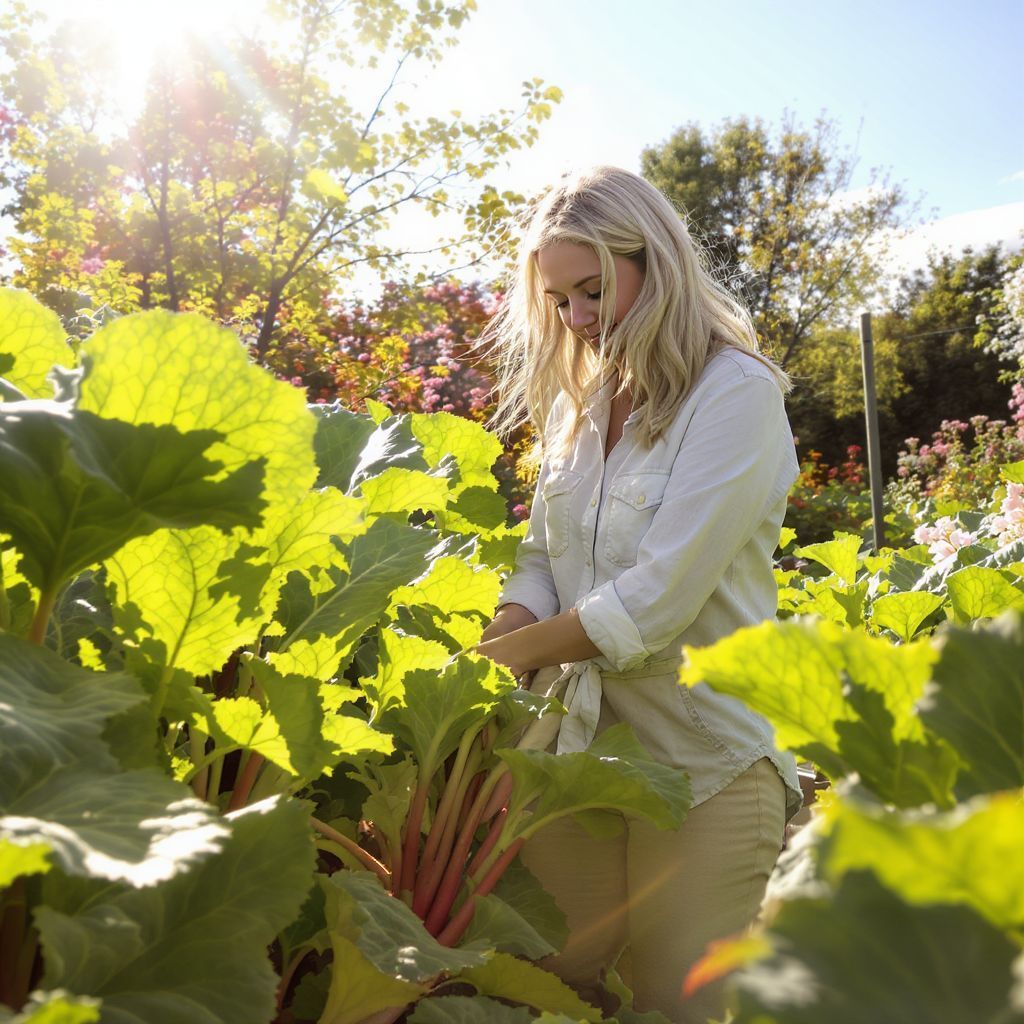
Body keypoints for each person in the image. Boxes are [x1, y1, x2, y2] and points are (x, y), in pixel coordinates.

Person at [471, 165, 804, 1024]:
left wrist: (505, 661)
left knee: (674, 1003)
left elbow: (655, 599)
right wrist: (502, 630)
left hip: (705, 761)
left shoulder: (735, 394)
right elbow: (541, 559)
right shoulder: (577, 406)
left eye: (592, 290)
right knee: (555, 984)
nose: (577, 318)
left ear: (654, 264)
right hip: (581, 747)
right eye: (558, 300)